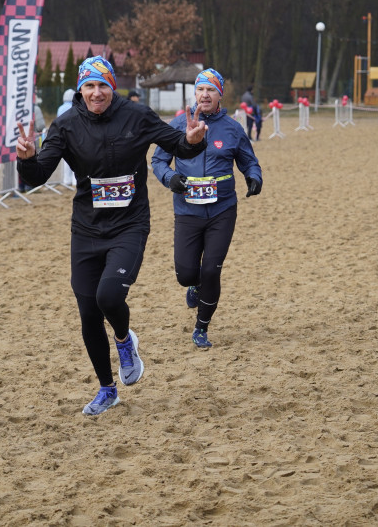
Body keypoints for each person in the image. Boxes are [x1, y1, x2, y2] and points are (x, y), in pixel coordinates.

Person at [15, 55, 208, 415]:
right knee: (88, 312)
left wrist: (193, 141)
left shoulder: (137, 115)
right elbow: (38, 175)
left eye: (102, 85)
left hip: (130, 224)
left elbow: (176, 143)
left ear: (112, 86)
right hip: (86, 228)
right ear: (80, 89)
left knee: (108, 296)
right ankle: (107, 390)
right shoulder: (67, 124)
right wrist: (27, 158)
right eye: (89, 85)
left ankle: (124, 341)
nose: (96, 92)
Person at [151, 69, 262, 349]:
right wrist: (170, 178)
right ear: (195, 94)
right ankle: (193, 284)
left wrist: (254, 177)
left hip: (222, 210)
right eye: (201, 90)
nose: (205, 95)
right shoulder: (177, 125)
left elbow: (249, 161)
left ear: (219, 95)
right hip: (187, 210)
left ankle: (201, 327)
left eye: (211, 90)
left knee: (212, 269)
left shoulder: (233, 128)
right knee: (186, 273)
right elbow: (158, 161)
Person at [56, 89, 77, 188]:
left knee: (66, 159)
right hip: (74, 136)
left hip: (63, 136)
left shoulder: (60, 108)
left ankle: (66, 180)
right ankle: (75, 181)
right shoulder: (75, 107)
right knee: (77, 159)